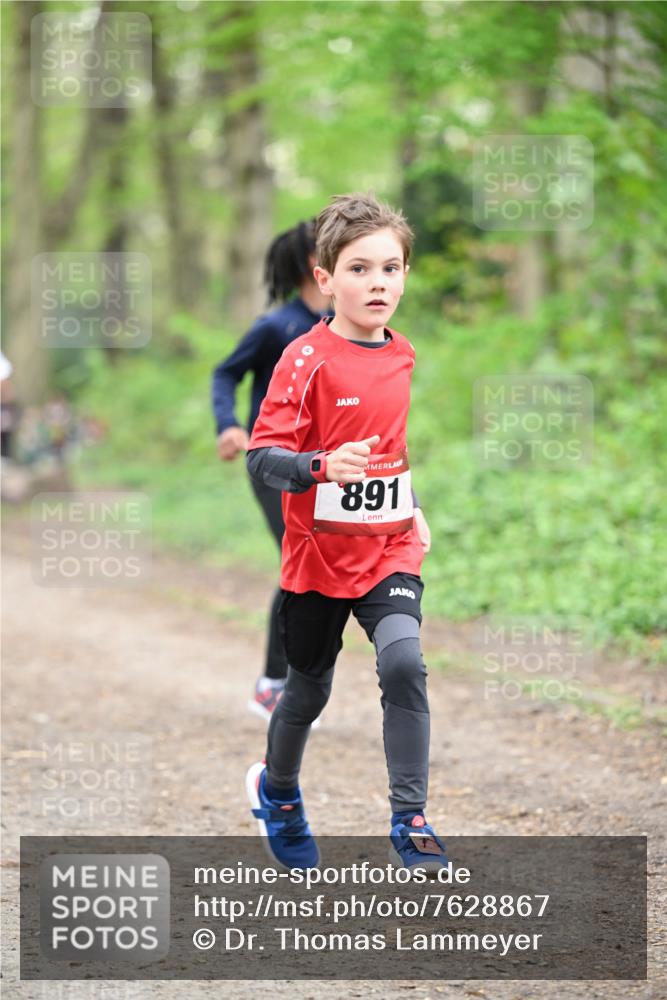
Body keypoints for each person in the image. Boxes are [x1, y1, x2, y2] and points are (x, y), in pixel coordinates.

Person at [244, 193, 447, 873]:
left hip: (388, 543)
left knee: (403, 664)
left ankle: (409, 820)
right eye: (359, 269)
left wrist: (408, 500)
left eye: (391, 268)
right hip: (318, 556)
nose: (378, 283)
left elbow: (391, 446)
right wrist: (321, 467)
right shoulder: (305, 359)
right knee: (308, 691)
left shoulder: (403, 353)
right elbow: (263, 456)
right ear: (324, 278)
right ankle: (278, 794)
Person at [211, 222, 330, 721]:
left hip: (327, 466)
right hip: (273, 460)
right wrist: (229, 425)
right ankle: (272, 682)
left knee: (321, 568)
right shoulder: (275, 326)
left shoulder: (344, 325)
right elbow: (226, 372)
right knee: (297, 561)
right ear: (312, 263)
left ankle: (299, 679)